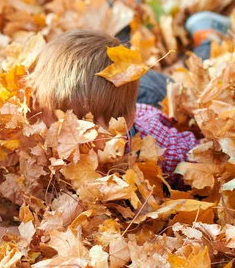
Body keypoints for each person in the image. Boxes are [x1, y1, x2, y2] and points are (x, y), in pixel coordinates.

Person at [26, 29, 199, 179]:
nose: (68, 140)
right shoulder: (35, 117)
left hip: (153, 92)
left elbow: (199, 158)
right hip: (111, 87)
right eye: (59, 125)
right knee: (118, 58)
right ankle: (123, 5)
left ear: (124, 125)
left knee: (191, 84)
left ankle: (206, 35)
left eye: (84, 130)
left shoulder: (154, 145)